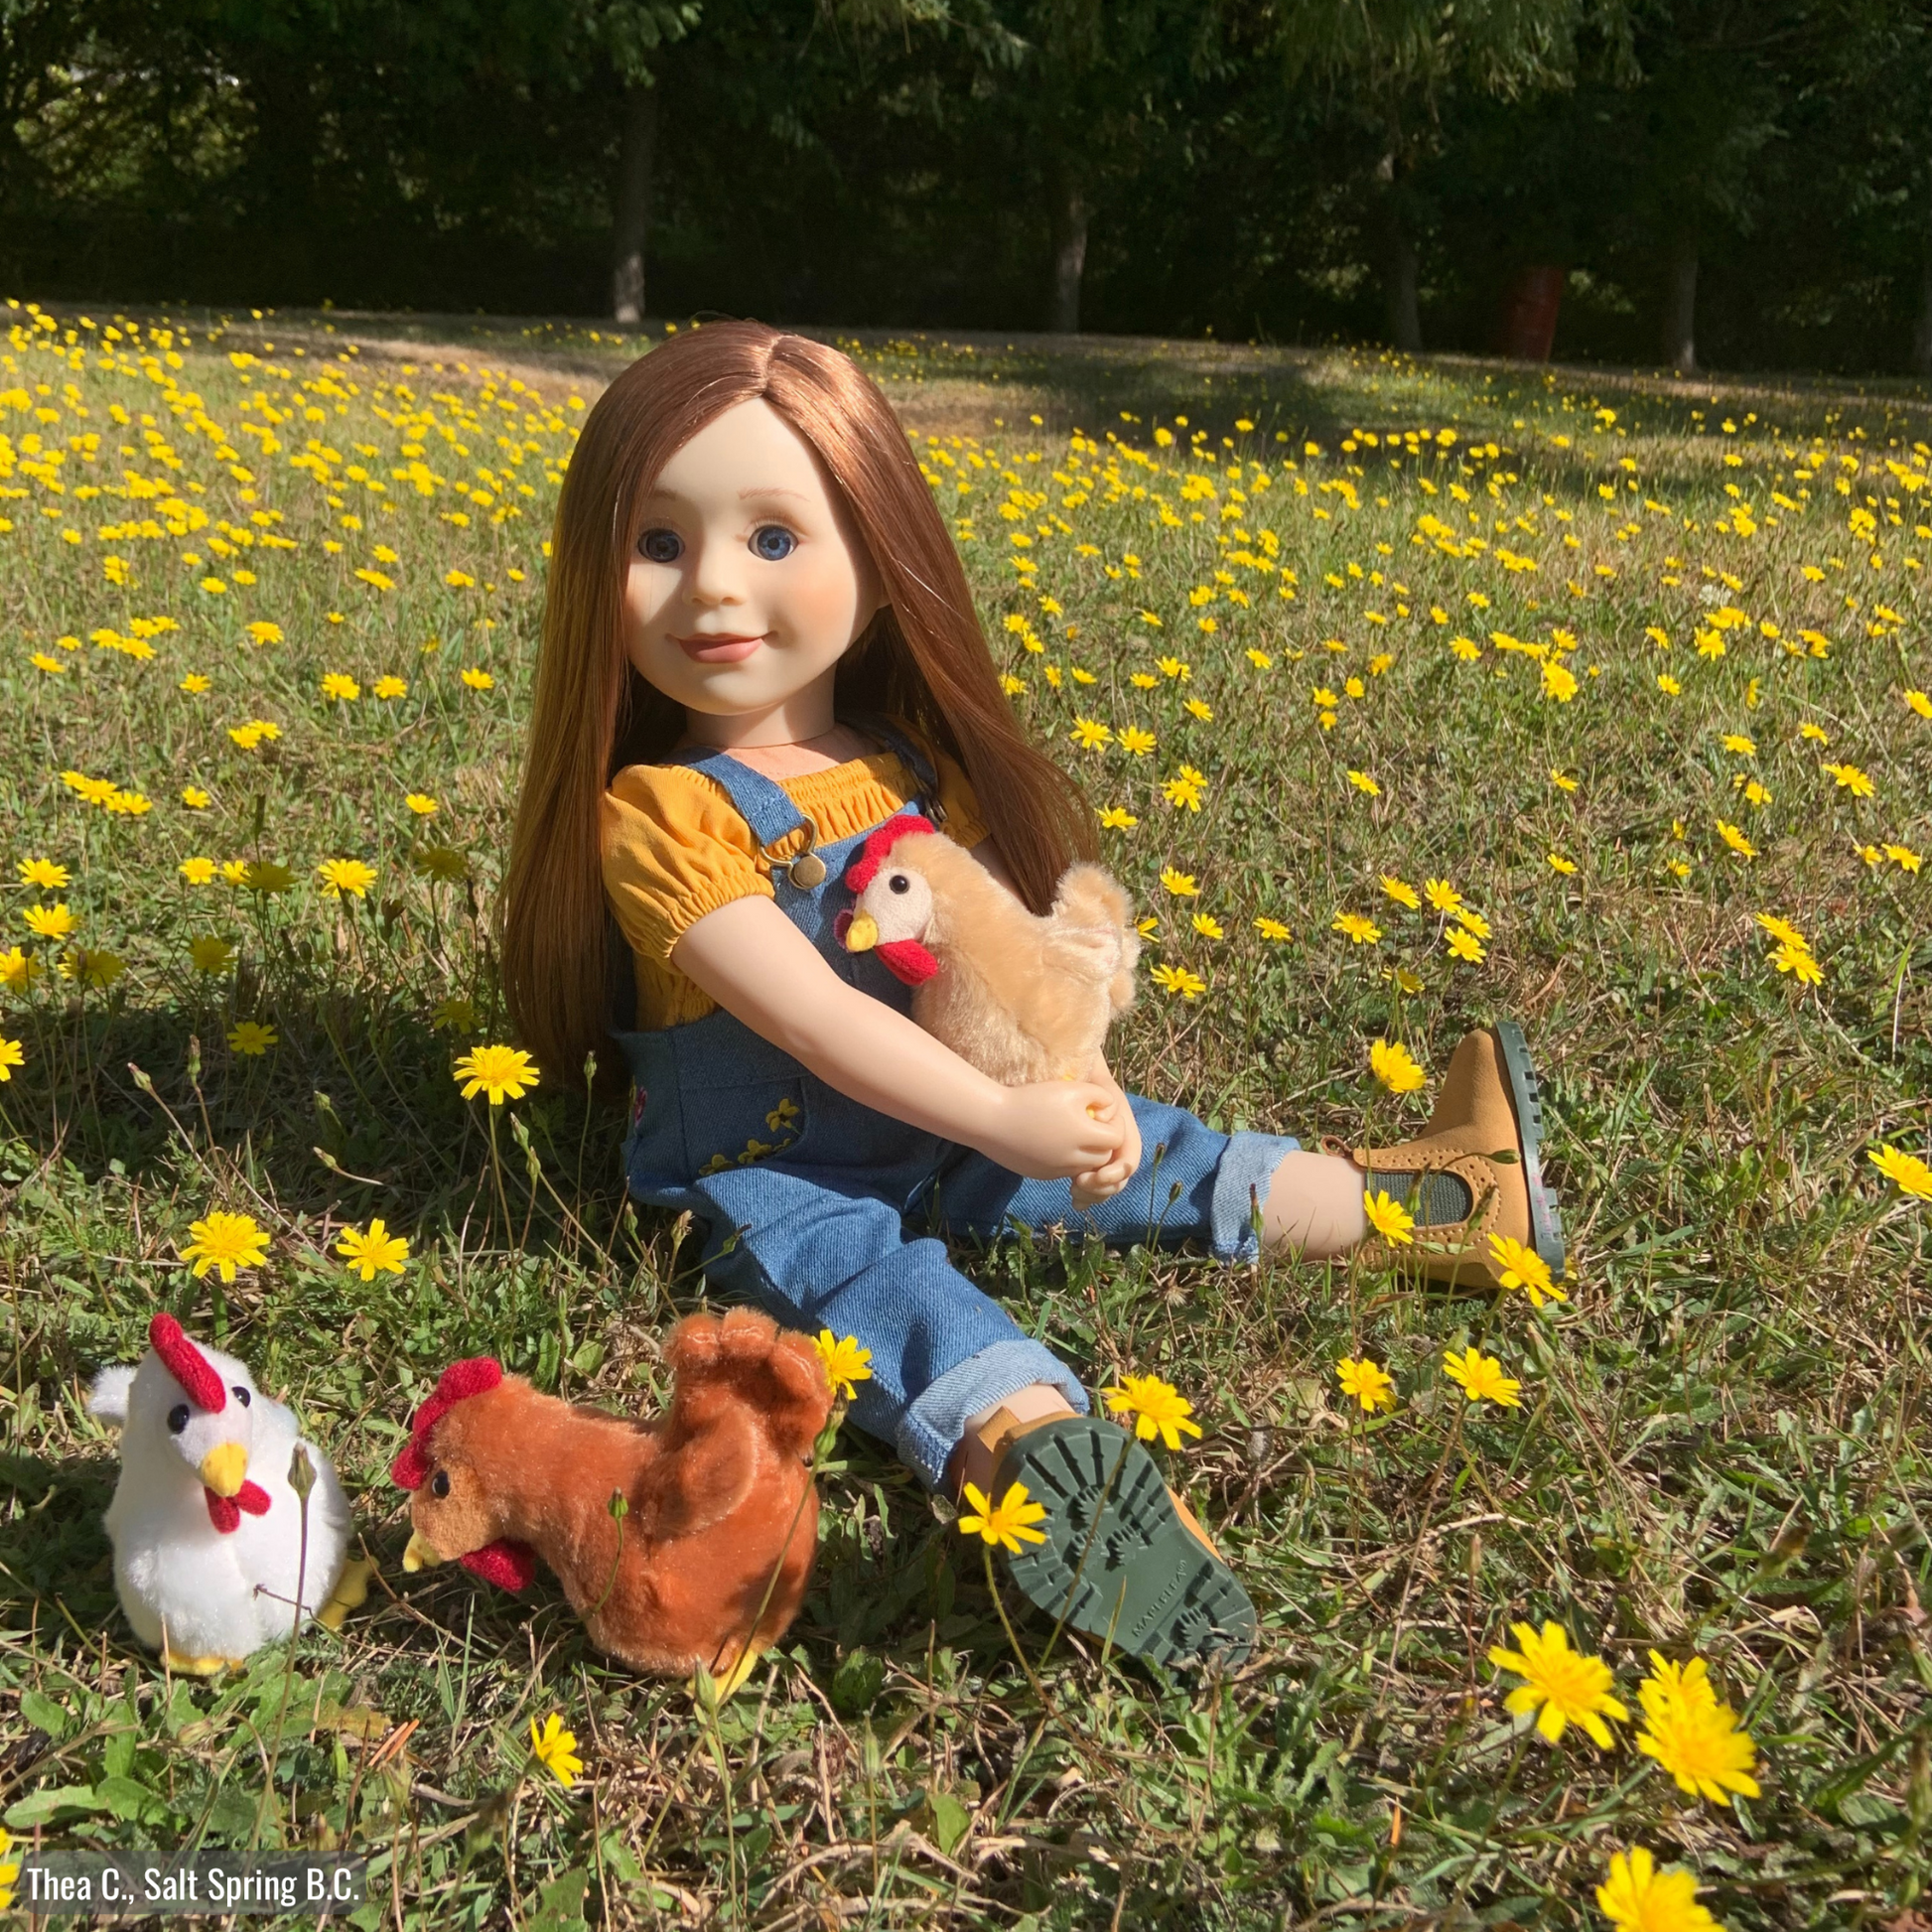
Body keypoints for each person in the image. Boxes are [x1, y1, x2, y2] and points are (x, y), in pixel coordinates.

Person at [500, 321, 1566, 1670]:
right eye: (657, 543)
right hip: (770, 1163)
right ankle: (1040, 1458)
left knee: (1151, 1151)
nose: (712, 586)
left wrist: (1066, 1076)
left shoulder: (902, 765)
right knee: (858, 1282)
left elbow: (989, 957)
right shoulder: (660, 816)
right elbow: (809, 1020)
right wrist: (1006, 1125)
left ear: (879, 569)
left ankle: (1443, 1197)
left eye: (774, 539)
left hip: (954, 1114)